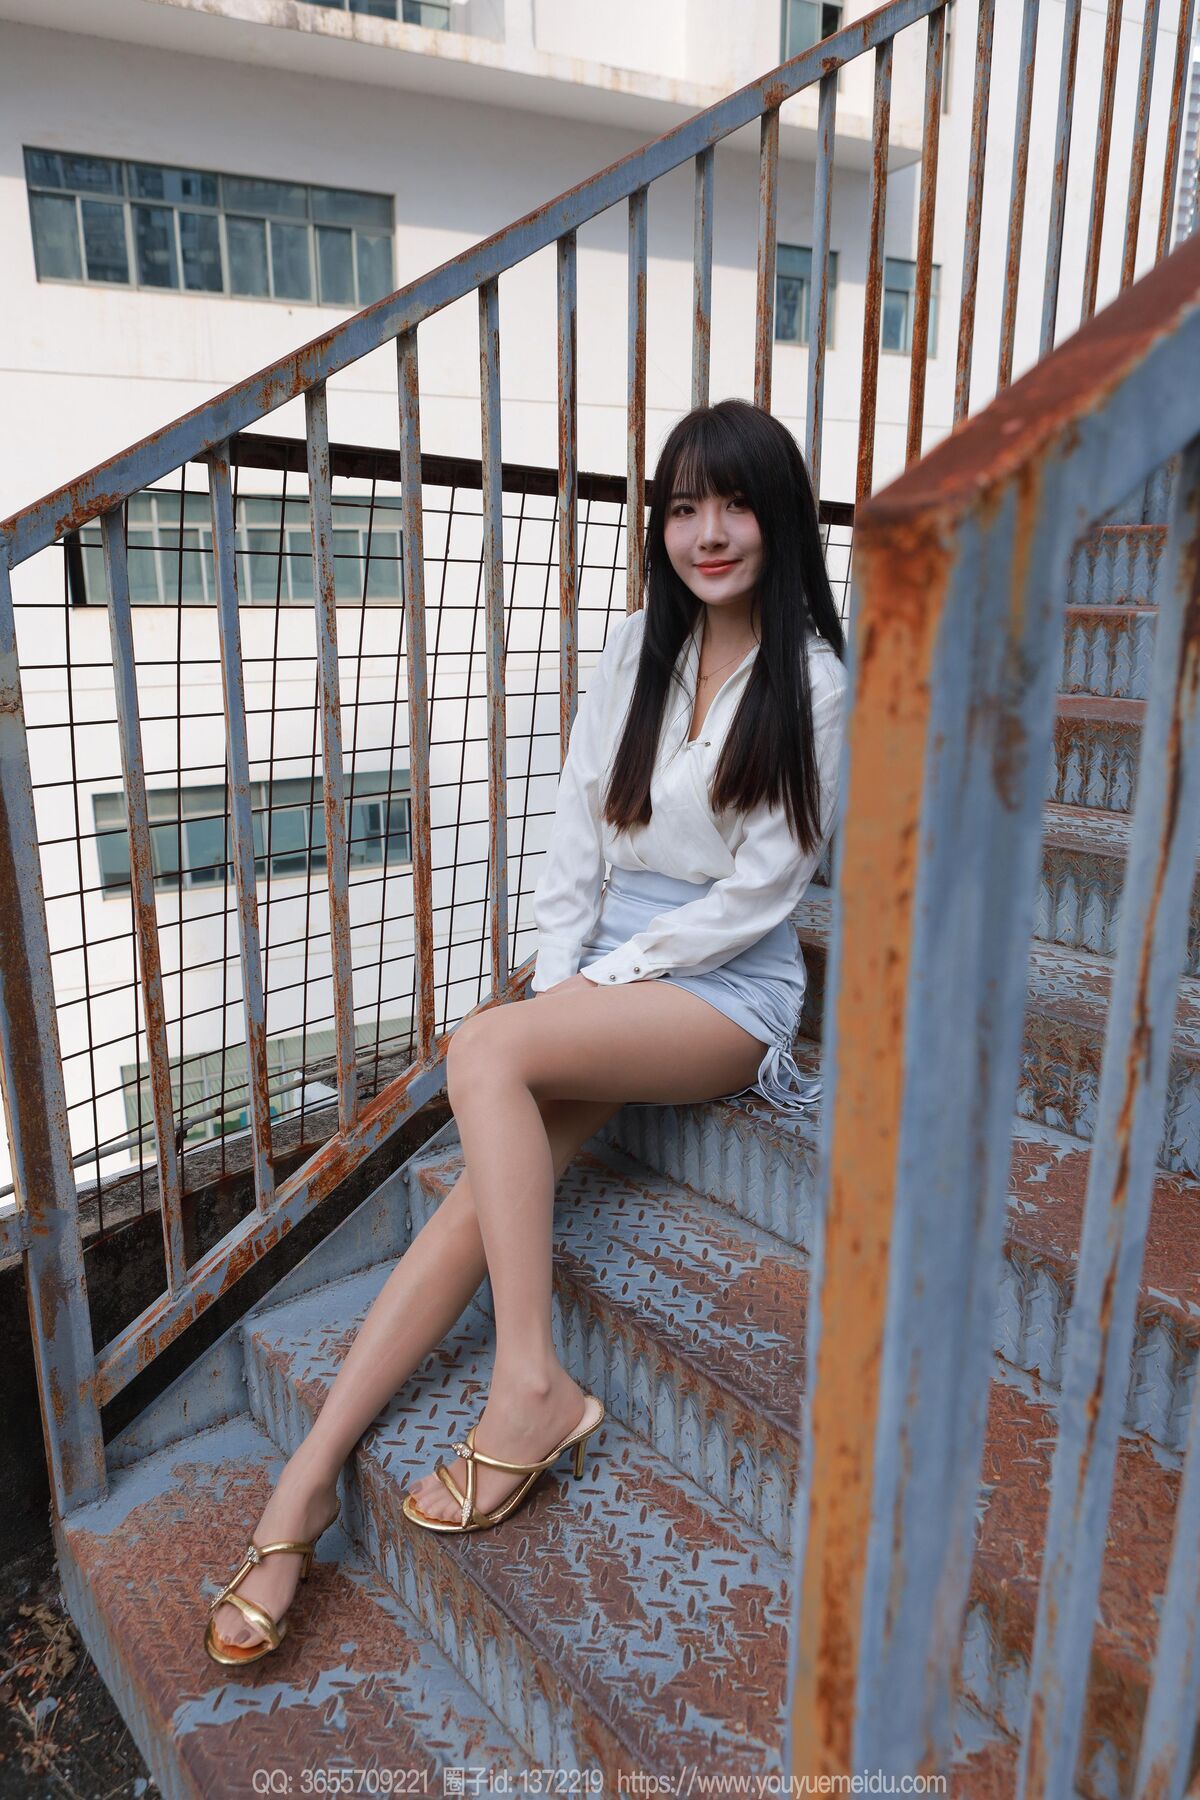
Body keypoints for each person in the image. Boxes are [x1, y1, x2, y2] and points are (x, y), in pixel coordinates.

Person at [204, 397, 849, 1664]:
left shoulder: (815, 683)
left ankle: (530, 1384)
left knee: (486, 1048)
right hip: (611, 973)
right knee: (474, 1195)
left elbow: (763, 894)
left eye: (734, 505)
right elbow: (575, 833)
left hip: (724, 987)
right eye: (683, 509)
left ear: (779, 518)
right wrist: (566, 980)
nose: (709, 533)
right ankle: (303, 1490)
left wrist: (593, 993)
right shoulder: (637, 648)